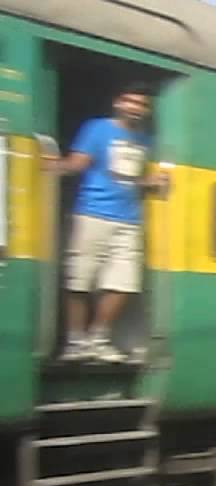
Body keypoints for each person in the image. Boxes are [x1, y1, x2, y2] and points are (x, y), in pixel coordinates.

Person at [45, 82, 167, 363]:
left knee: (123, 283)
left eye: (141, 104)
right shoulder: (97, 128)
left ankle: (98, 338)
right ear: (118, 102)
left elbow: (130, 178)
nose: (135, 108)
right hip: (92, 212)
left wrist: (148, 182)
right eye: (130, 101)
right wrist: (47, 165)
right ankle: (76, 342)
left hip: (129, 219)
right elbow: (78, 163)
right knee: (79, 279)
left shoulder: (145, 140)